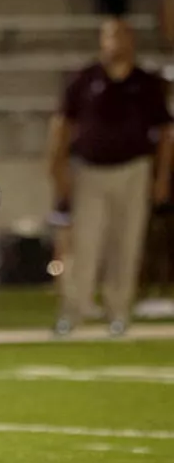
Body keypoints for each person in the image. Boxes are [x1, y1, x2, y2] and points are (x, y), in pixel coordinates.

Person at [49, 18, 173, 336]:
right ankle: (73, 311)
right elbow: (63, 124)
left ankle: (119, 311)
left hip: (133, 170)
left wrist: (161, 177)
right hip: (90, 170)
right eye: (110, 35)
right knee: (85, 244)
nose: (116, 42)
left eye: (122, 35)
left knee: (127, 244)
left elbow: (165, 132)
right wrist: (57, 166)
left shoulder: (146, 82)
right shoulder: (85, 79)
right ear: (102, 40)